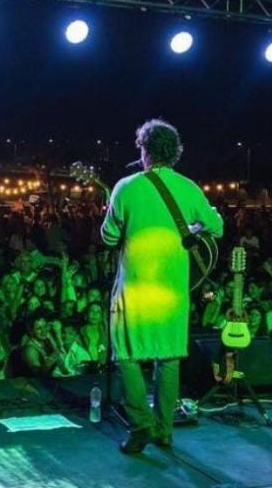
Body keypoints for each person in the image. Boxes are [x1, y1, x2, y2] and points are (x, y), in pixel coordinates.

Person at [101, 119, 223, 454]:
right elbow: (217, 226)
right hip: (172, 295)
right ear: (175, 152)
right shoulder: (189, 188)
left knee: (127, 357)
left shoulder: (125, 187)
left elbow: (109, 237)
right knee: (168, 361)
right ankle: (165, 430)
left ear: (144, 149)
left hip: (136, 292)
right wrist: (194, 226)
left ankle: (142, 426)